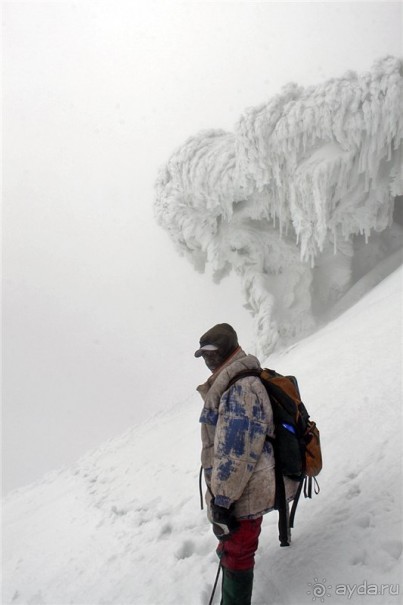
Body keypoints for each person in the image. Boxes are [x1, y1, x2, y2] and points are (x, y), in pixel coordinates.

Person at [195, 323, 296, 605]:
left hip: (245, 489)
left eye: (211, 352)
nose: (206, 359)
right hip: (247, 483)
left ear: (228, 349)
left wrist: (223, 502)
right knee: (233, 545)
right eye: (202, 354)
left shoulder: (240, 388)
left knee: (238, 551)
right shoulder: (235, 380)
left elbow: (236, 454)